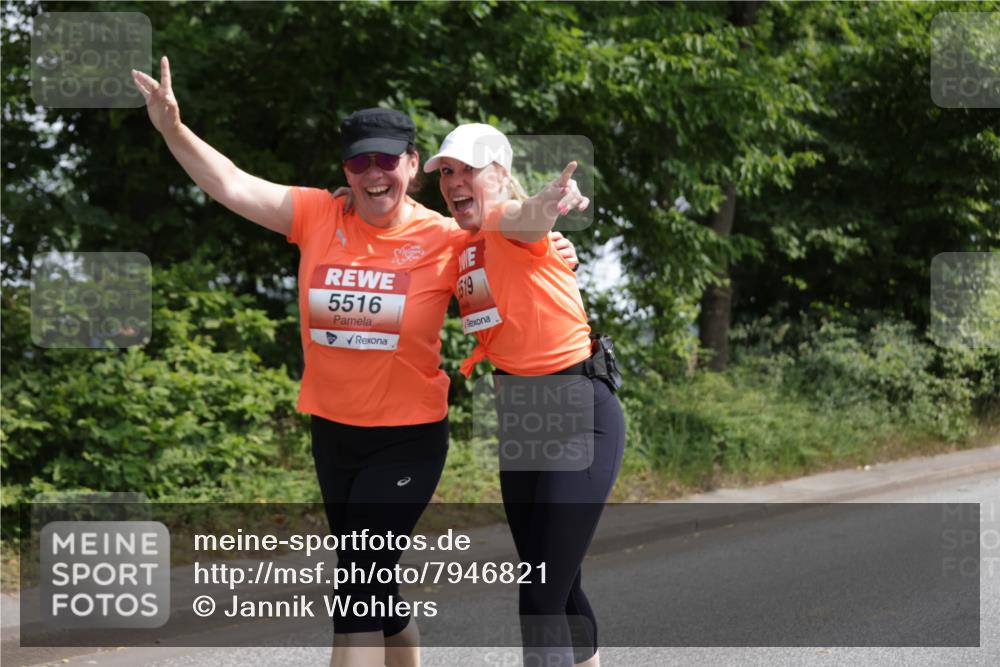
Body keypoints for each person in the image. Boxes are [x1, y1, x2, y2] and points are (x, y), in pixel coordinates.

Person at [130, 59, 578, 667]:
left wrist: (554, 239)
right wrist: (172, 129)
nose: (373, 174)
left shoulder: (447, 239)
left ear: (413, 167)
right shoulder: (319, 214)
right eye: (358, 162)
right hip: (334, 433)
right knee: (374, 582)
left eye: (386, 160)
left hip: (408, 439)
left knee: (357, 588)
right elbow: (233, 184)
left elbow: (515, 241)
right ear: (345, 170)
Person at [426, 124, 625, 667]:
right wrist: (347, 200)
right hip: (522, 420)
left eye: (469, 170)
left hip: (578, 413)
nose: (455, 181)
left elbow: (526, 217)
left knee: (538, 594)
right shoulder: (456, 241)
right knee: (555, 581)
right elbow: (394, 226)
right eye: (446, 172)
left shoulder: (504, 222)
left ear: (500, 176)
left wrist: (547, 202)